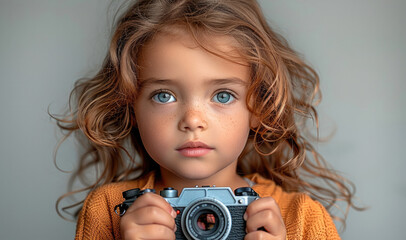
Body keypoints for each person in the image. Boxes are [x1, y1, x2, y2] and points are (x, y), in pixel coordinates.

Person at [54, 0, 360, 239]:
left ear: (259, 108)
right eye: (164, 95)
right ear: (131, 107)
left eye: (223, 96)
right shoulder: (110, 211)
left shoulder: (303, 219)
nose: (193, 120)